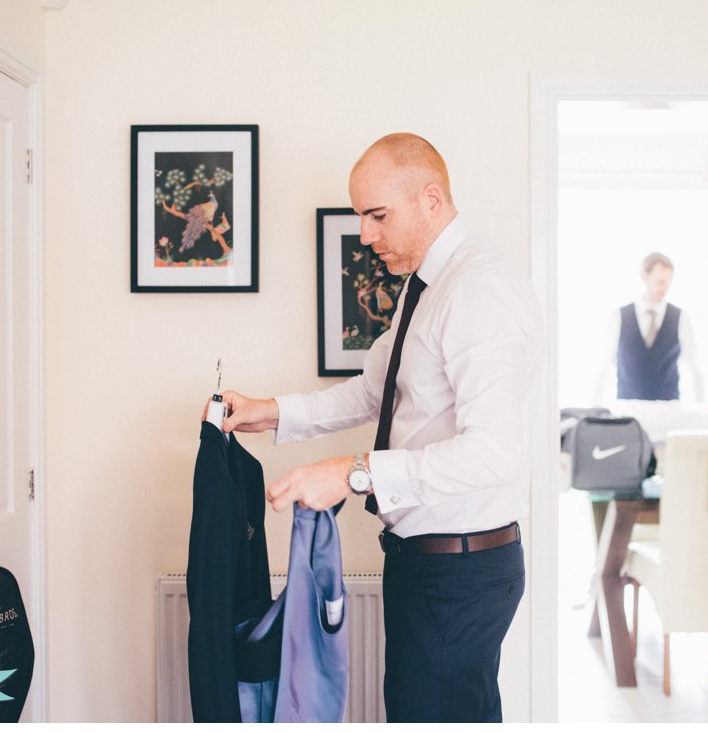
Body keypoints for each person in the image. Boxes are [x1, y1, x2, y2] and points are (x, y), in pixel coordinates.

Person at [205, 133, 544, 722]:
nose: (365, 235)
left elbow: (495, 453)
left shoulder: (480, 290)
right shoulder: (424, 285)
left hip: (458, 573)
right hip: (427, 563)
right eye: (361, 217)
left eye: (377, 216)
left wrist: (353, 472)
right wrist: (273, 411)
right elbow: (375, 393)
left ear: (431, 200)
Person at [594, 252, 704, 403]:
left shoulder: (681, 318)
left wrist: (700, 409)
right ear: (644, 276)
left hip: (669, 410)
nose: (665, 287)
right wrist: (595, 410)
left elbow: (694, 367)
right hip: (627, 411)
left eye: (668, 281)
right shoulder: (619, 317)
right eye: (660, 281)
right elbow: (604, 366)